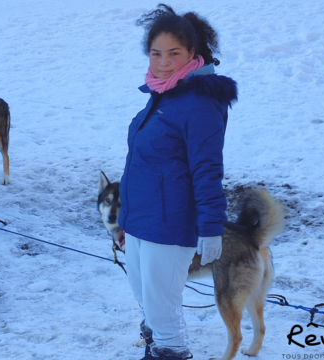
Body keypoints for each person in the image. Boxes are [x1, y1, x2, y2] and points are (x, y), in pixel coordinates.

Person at [118, 4, 238, 360]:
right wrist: (126, 219)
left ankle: (170, 353)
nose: (163, 61)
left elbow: (207, 169)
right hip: (141, 220)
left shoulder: (199, 102)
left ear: (193, 54)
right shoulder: (163, 94)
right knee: (146, 300)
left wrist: (212, 225)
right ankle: (156, 345)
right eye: (156, 53)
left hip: (170, 224)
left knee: (162, 310)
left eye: (174, 53)